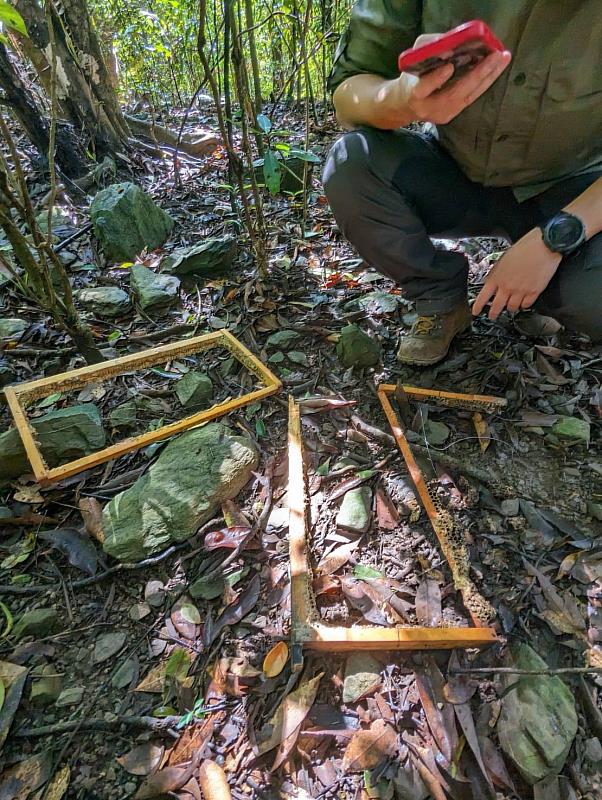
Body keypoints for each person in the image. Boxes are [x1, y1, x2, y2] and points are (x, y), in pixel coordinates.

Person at [323, 2, 602, 365]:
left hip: (572, 187)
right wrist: (404, 101)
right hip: (452, 168)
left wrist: (556, 238)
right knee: (351, 166)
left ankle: (545, 295)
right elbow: (349, 93)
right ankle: (441, 299)